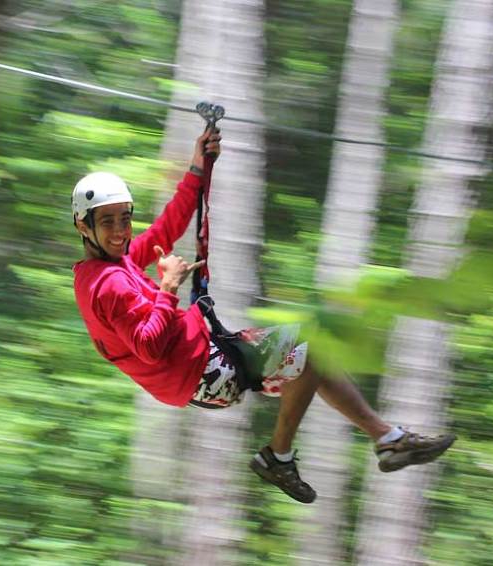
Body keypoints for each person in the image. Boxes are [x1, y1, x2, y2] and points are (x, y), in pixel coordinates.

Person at [71, 126, 455, 503]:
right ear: (83, 226)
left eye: (125, 218)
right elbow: (149, 347)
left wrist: (198, 168)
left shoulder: (117, 264)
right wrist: (168, 287)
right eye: (107, 222)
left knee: (312, 356)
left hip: (202, 361)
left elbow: (166, 227)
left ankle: (388, 440)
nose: (120, 231)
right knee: (312, 345)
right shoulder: (108, 284)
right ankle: (279, 456)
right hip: (202, 372)